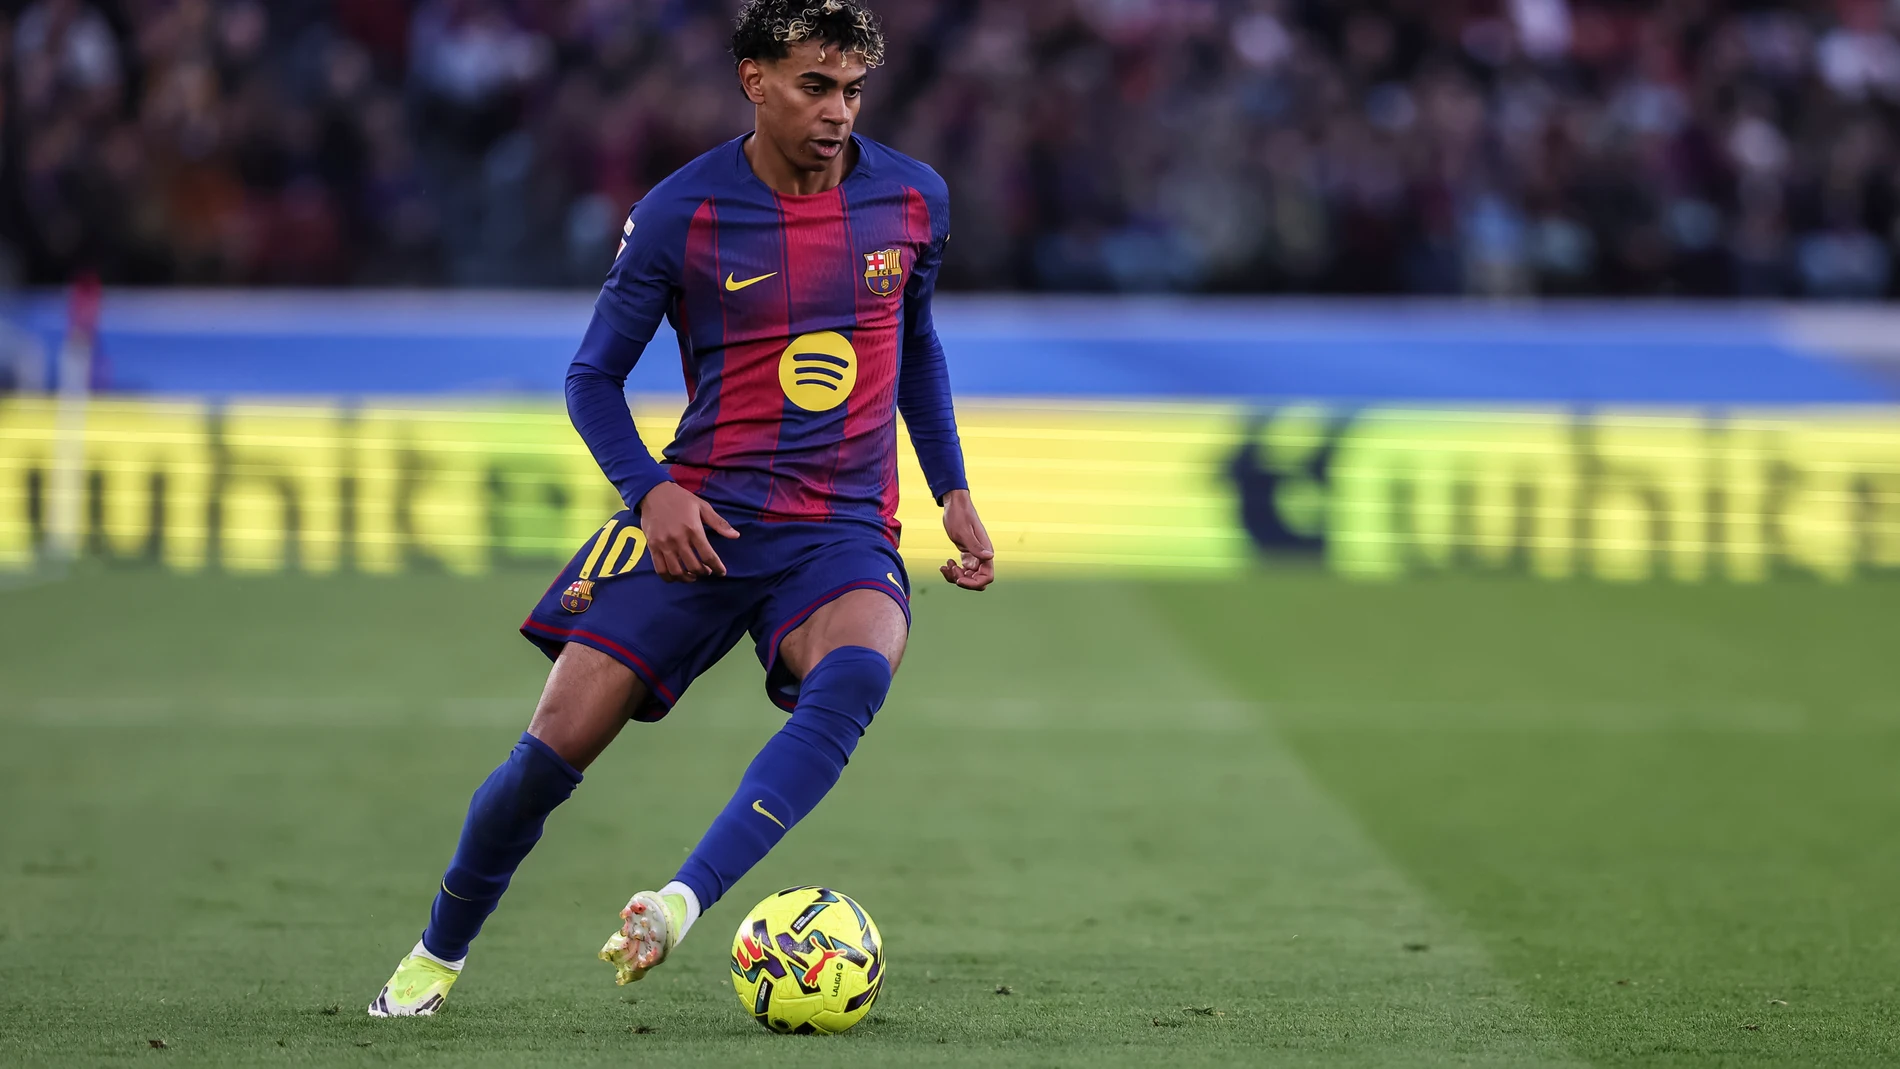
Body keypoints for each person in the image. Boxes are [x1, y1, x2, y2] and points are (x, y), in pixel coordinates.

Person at [369, 0, 994, 1017]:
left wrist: (951, 487)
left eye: (852, 90)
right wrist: (650, 492)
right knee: (546, 757)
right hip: (699, 518)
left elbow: (915, 346)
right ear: (753, 79)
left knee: (860, 666)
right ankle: (435, 954)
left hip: (838, 531)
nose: (838, 112)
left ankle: (681, 901)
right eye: (814, 87)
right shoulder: (682, 214)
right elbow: (590, 379)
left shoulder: (913, 201)